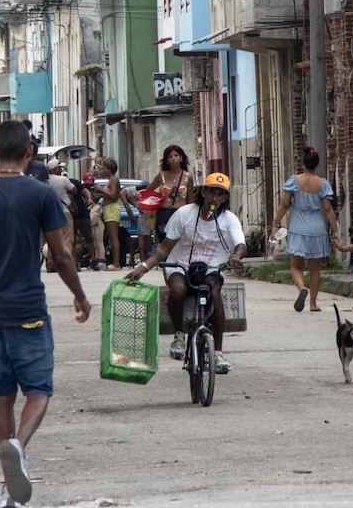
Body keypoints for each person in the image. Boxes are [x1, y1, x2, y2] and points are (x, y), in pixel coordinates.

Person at [0, 120, 91, 508]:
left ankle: (7, 489)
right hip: (29, 309)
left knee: (2, 398)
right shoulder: (41, 195)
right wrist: (79, 296)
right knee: (40, 391)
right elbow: (61, 255)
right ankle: (18, 447)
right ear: (29, 153)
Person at [125, 172, 245, 374]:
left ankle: (218, 352)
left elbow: (240, 244)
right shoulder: (184, 214)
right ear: (203, 192)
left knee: (214, 293)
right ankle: (179, 334)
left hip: (211, 268)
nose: (214, 198)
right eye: (211, 192)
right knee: (178, 290)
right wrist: (143, 267)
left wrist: (236, 256)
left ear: (225, 197)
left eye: (220, 194)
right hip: (181, 266)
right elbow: (164, 249)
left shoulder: (228, 219)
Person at [270, 146, 339, 312]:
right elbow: (328, 209)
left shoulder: (294, 181)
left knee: (296, 266)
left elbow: (285, 204)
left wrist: (275, 223)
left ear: (303, 163)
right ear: (317, 164)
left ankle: (302, 289)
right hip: (317, 227)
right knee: (315, 267)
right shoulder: (322, 184)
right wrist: (335, 230)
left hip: (298, 226)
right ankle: (313, 304)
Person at [146, 144, 195, 245]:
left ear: (181, 158)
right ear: (167, 160)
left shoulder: (187, 177)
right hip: (164, 214)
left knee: (180, 244)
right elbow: (148, 191)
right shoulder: (162, 175)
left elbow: (190, 199)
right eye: (170, 156)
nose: (173, 159)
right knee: (165, 244)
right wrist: (138, 196)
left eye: (176, 155)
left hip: (181, 214)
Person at [46, 160, 78, 272]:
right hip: (64, 212)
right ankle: (66, 264)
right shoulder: (63, 179)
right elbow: (74, 190)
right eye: (59, 167)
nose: (60, 169)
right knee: (67, 239)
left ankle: (51, 264)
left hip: (50, 213)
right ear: (54, 169)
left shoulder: (45, 180)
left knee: (51, 238)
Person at [93, 158, 123, 271]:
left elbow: (114, 195)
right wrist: (101, 195)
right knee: (110, 236)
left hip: (111, 209)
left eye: (103, 168)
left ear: (109, 169)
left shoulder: (114, 180)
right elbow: (109, 194)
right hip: (107, 208)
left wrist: (101, 190)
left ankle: (116, 263)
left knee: (113, 236)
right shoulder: (110, 181)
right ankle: (114, 261)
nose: (101, 170)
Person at [85, 171, 106, 270]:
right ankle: (95, 261)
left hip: (97, 223)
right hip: (91, 223)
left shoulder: (99, 206)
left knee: (99, 242)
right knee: (94, 243)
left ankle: (102, 260)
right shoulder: (90, 205)